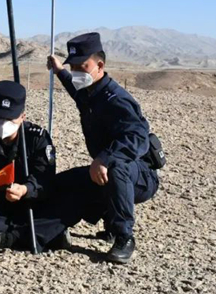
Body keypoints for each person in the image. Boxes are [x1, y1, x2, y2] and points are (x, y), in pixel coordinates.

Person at [47, 32, 159, 264]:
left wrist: (105, 157)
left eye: (82, 67)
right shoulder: (89, 93)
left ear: (100, 65)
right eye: (73, 67)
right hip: (107, 169)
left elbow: (138, 137)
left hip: (140, 175)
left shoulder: (116, 99)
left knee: (116, 167)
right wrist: (59, 71)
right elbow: (74, 90)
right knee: (61, 183)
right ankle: (88, 220)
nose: (76, 72)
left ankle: (123, 237)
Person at [0, 80, 70, 253]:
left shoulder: (37, 138)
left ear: (22, 116)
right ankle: (47, 234)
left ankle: (6, 238)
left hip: (32, 203)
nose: (3, 124)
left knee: (62, 204)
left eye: (9, 118)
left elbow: (45, 178)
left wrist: (26, 189)